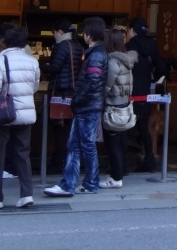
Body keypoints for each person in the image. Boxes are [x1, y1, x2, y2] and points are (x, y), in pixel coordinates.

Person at [0, 24, 39, 209]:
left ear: (5, 41)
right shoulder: (32, 61)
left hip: (2, 114)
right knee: (22, 153)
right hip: (25, 113)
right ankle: (27, 194)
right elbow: (34, 87)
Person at [45, 17, 107, 196]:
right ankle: (88, 183)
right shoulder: (96, 52)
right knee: (81, 145)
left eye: (85, 32)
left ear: (89, 35)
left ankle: (70, 184)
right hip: (89, 105)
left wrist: (77, 100)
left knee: (79, 145)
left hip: (86, 106)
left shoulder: (96, 55)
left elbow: (93, 81)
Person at [126, 17, 167, 173]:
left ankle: (123, 161)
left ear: (132, 30)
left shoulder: (128, 46)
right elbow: (162, 67)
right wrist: (153, 79)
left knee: (124, 126)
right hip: (145, 92)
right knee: (144, 127)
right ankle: (149, 159)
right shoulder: (151, 46)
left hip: (129, 92)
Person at [100, 26, 137, 189]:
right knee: (119, 143)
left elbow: (106, 88)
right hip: (124, 106)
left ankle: (116, 177)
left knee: (112, 145)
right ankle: (117, 174)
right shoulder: (127, 62)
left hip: (113, 108)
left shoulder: (113, 62)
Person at [45, 22, 81, 171]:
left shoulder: (61, 46)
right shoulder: (77, 45)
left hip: (60, 91)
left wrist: (44, 66)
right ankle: (72, 160)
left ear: (59, 31)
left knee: (58, 127)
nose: (54, 36)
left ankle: (58, 161)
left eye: (54, 33)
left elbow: (55, 68)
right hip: (73, 91)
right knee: (71, 127)